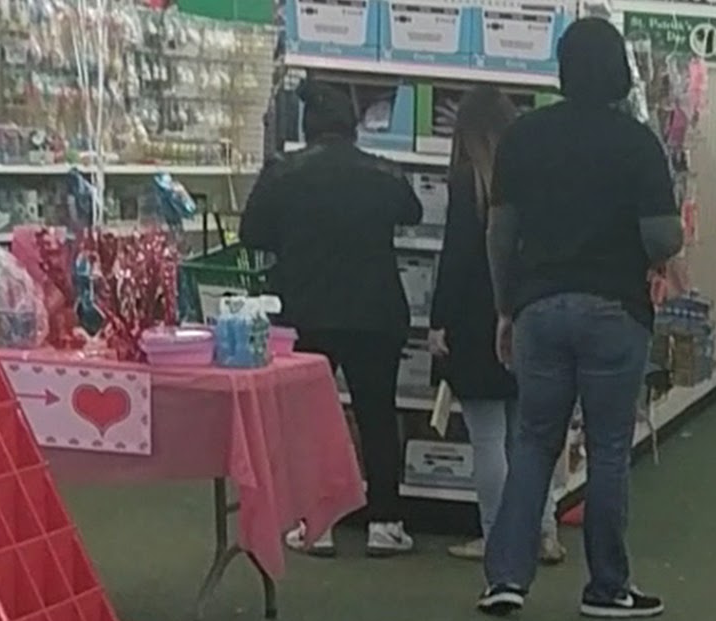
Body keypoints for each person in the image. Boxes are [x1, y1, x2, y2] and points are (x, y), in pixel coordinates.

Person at [477, 17, 682, 620]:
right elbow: (662, 236)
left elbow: (499, 233)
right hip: (615, 310)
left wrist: (506, 307)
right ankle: (607, 586)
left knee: (532, 442)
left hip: (538, 306)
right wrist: (657, 248)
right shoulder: (636, 143)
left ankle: (506, 578)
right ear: (620, 72)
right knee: (608, 447)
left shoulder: (523, 136)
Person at [240, 81, 423, 555]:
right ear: (354, 126)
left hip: (306, 310)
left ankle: (313, 524)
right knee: (378, 415)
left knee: (307, 420)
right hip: (376, 311)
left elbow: (251, 234)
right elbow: (414, 211)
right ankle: (386, 522)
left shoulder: (282, 172)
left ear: (307, 126)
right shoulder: (382, 172)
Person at [427, 86, 561, 566]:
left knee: (486, 438)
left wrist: (439, 320)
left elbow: (457, 256)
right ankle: (545, 530)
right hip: (529, 312)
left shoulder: (468, 182)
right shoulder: (538, 178)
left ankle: (496, 537)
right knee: (531, 438)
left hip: (474, 318)